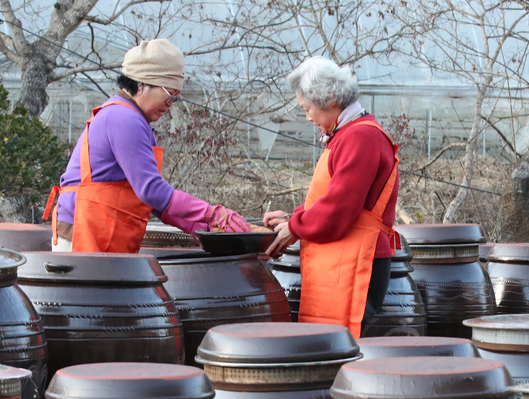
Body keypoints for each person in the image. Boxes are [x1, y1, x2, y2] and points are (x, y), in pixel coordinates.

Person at [44, 39, 248, 253]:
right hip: (82, 234)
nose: (171, 105)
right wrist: (212, 214)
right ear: (141, 84)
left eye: (176, 98)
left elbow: (153, 200)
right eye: (170, 95)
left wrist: (200, 227)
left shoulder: (133, 119)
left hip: (100, 231)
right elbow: (151, 190)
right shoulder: (123, 118)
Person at [265, 57, 400, 338]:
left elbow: (338, 210)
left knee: (343, 345)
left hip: (359, 263)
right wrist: (294, 218)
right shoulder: (348, 134)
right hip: (344, 261)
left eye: (308, 108)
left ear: (330, 99)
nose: (308, 117)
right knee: (329, 344)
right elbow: (330, 199)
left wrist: (294, 227)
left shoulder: (361, 137)